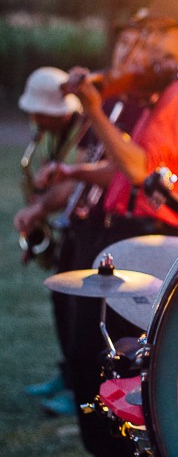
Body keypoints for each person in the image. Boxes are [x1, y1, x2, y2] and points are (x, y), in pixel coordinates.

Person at [57, 0, 178, 456]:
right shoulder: (159, 90)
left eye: (159, 31)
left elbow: (141, 167)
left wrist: (94, 108)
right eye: (145, 31)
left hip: (147, 237)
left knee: (110, 361)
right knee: (86, 358)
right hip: (119, 232)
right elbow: (122, 169)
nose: (148, 41)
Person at [13, 66, 85, 415]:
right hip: (66, 225)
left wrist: (40, 205)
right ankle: (66, 374)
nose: (36, 119)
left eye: (41, 113)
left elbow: (74, 185)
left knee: (77, 309)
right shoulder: (50, 133)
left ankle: (77, 387)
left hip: (87, 226)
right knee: (60, 302)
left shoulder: (85, 130)